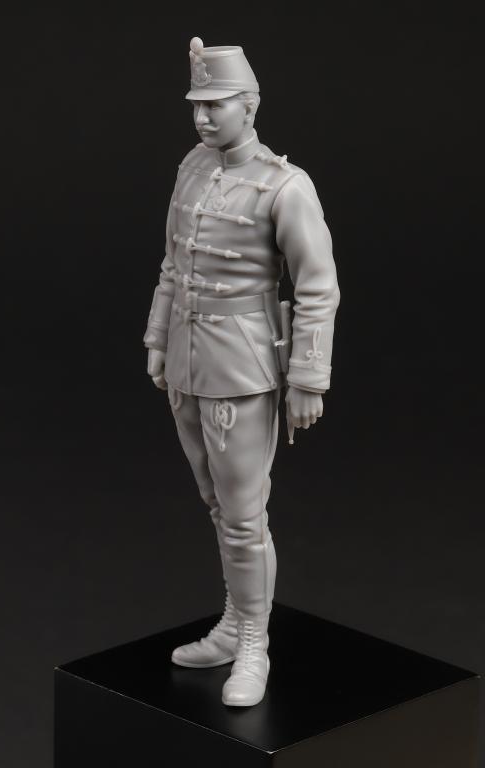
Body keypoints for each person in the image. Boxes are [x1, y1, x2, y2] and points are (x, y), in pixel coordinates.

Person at [144, 37, 340, 706]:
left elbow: (317, 285)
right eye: (197, 105)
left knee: (243, 514)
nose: (203, 118)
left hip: (242, 364)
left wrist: (308, 378)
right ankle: (234, 621)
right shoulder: (193, 167)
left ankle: (253, 639)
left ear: (249, 106)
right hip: (187, 358)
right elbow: (174, 261)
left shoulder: (285, 185)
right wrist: (157, 336)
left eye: (217, 105)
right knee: (217, 503)